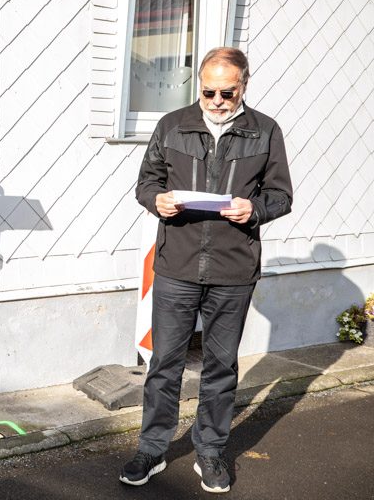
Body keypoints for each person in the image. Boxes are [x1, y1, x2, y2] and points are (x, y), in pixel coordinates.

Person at [120, 48, 293, 493]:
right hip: (176, 264)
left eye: (226, 92)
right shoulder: (172, 125)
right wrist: (153, 200)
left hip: (233, 269)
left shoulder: (265, 131)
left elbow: (281, 195)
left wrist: (253, 209)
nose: (216, 100)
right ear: (199, 85)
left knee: (220, 367)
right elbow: (147, 183)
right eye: (208, 91)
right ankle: (152, 450)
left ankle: (211, 452)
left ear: (244, 84)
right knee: (165, 364)